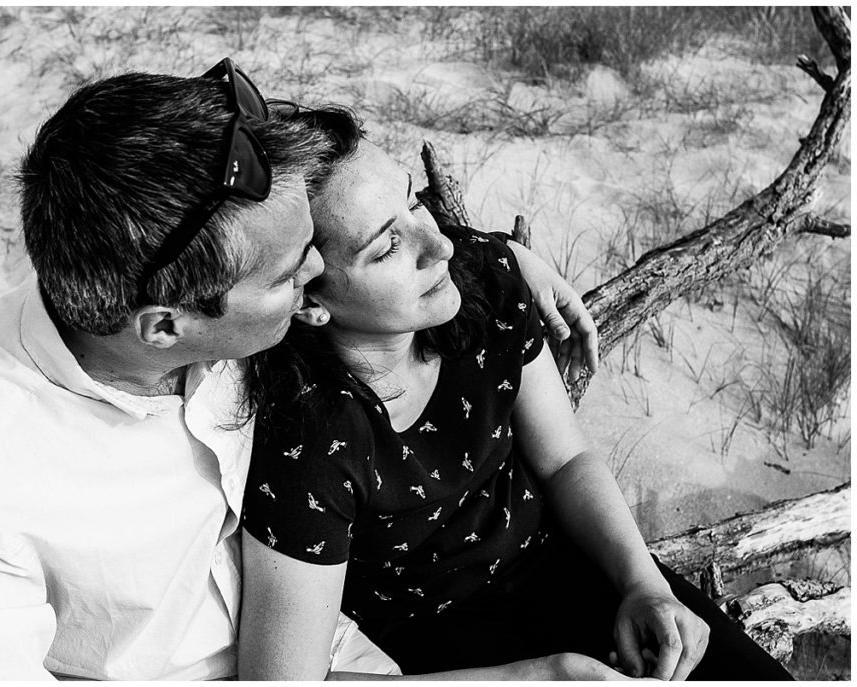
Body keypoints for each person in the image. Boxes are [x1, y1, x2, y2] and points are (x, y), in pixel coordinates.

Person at [0, 60, 597, 680]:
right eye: (289, 279)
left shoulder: (210, 278)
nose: (316, 281)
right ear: (166, 328)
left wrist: (493, 256)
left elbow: (360, 225)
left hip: (366, 648)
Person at [237, 107, 795, 680]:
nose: (441, 248)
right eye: (386, 248)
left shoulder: (486, 284)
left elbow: (564, 459)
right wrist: (537, 676)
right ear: (307, 299)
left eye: (413, 202)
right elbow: (282, 679)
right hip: (431, 650)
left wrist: (643, 584)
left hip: (566, 565)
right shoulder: (307, 438)